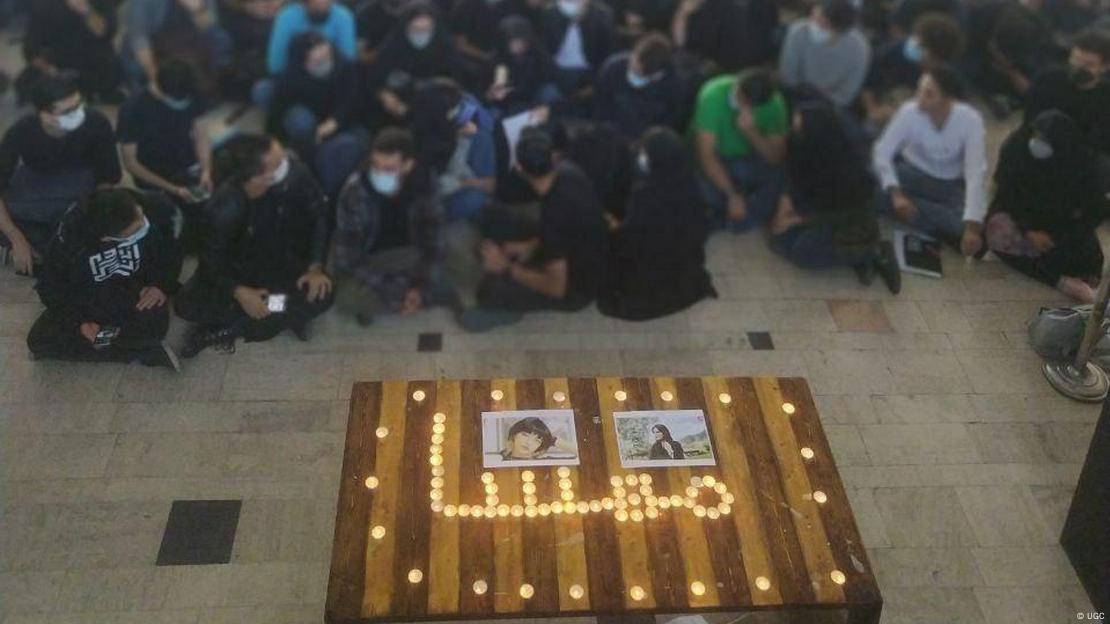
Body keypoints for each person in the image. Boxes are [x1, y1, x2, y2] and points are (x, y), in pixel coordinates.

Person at [175, 134, 334, 355]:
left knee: (320, 294)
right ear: (254, 178)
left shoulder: (297, 174)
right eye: (277, 164)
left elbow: (319, 216)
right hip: (240, 273)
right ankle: (269, 315)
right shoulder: (223, 208)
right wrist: (239, 291)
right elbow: (212, 259)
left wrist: (315, 266)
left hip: (285, 265)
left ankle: (243, 322)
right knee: (188, 305)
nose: (286, 165)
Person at [461, 128, 608, 331]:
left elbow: (557, 287)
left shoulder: (554, 216)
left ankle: (512, 304)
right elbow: (570, 229)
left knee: (489, 292)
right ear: (554, 158)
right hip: (569, 248)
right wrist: (530, 245)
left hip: (575, 289)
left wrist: (506, 267)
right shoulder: (570, 173)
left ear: (519, 168)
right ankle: (523, 264)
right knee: (492, 214)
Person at [27, 188, 181, 370]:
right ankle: (133, 350)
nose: (143, 223)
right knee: (39, 340)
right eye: (135, 229)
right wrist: (80, 322)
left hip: (134, 292)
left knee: (154, 321)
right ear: (107, 237)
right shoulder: (70, 240)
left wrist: (160, 284)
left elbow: (172, 252)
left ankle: (124, 344)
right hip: (87, 301)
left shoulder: (151, 206)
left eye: (140, 215)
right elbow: (51, 288)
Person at [770, 101, 901, 293]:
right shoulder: (802, 145)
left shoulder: (848, 170)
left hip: (844, 220)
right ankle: (857, 257)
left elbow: (839, 215)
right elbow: (792, 173)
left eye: (799, 127)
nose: (794, 130)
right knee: (779, 242)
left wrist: (795, 220)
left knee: (802, 253)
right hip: (815, 205)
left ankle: (872, 252)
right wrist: (785, 201)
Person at [332, 128, 458, 326]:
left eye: (389, 168)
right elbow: (348, 255)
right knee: (346, 299)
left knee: (452, 254)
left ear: (408, 165)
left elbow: (435, 237)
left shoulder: (425, 182)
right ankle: (413, 298)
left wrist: (418, 285)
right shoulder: (355, 191)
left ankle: (406, 298)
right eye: (375, 165)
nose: (379, 174)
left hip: (412, 252)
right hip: (373, 259)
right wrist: (392, 287)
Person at [0, 75, 121, 276]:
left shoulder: (95, 123)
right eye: (67, 111)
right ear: (44, 114)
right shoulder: (21, 132)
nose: (77, 114)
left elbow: (108, 178)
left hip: (80, 190)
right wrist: (16, 238)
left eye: (78, 105)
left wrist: (94, 214)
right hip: (35, 190)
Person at [985, 110, 1107, 303]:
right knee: (998, 232)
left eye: (1045, 140)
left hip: (1062, 225)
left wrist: (1055, 236)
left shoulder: (1082, 165)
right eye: (1036, 135)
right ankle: (1060, 281)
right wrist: (1028, 230)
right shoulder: (1018, 148)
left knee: (1084, 262)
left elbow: (1092, 213)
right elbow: (1006, 193)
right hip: (1022, 217)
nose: (1036, 143)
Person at [598, 127, 715, 321]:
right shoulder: (691, 187)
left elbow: (630, 241)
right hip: (681, 269)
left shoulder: (646, 197)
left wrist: (612, 225)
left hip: (648, 276)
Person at [873, 65, 988, 256]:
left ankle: (909, 211)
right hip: (908, 173)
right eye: (919, 90)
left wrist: (972, 228)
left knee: (968, 224)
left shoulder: (970, 121)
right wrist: (896, 195)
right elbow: (882, 152)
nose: (919, 98)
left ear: (948, 99)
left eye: (929, 94)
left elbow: (976, 173)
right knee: (869, 182)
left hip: (947, 185)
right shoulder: (909, 112)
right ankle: (919, 216)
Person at [691, 68, 788, 232]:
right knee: (700, 185)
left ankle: (729, 217)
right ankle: (740, 212)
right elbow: (706, 155)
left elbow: (775, 158)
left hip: (750, 161)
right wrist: (732, 195)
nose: (739, 103)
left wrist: (751, 132)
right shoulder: (714, 94)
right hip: (719, 160)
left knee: (779, 175)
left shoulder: (774, 104)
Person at [118, 60, 212, 207]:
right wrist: (173, 189)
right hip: (152, 172)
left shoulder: (193, 93)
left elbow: (202, 137)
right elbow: (131, 163)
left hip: (185, 160)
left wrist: (206, 170)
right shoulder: (133, 109)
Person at [411, 78, 497, 221]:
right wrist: (477, 183)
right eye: (454, 109)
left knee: (483, 134)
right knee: (477, 199)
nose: (459, 110)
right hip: (443, 193)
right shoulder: (425, 145)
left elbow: (484, 121)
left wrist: (458, 132)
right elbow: (436, 185)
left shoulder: (453, 117)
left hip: (462, 166)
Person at [861, 12, 965, 126]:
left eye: (921, 46)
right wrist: (873, 110)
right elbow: (869, 82)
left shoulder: (948, 81)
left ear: (936, 57)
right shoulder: (897, 50)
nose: (913, 45)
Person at [265, 33, 356, 158]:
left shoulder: (346, 67)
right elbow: (278, 107)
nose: (322, 51)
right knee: (298, 119)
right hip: (307, 115)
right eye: (314, 49)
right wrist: (271, 141)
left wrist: (332, 124)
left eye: (323, 44)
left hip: (337, 119)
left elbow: (350, 102)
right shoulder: (292, 75)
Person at [1024, 28, 1110, 155]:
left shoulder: (1105, 96)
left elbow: (1101, 142)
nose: (1078, 67)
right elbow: (1030, 118)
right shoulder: (1048, 79)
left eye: (1088, 64)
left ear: (1105, 67)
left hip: (1082, 154)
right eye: (1075, 59)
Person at [20, 0, 123, 103]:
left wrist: (86, 11)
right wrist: (48, 69)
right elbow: (31, 47)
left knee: (112, 71)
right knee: (32, 84)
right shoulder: (45, 4)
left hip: (94, 59)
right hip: (57, 62)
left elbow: (105, 32)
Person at [592, 33, 690, 139]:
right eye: (633, 66)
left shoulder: (675, 86)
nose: (634, 73)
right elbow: (600, 107)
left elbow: (671, 124)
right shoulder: (613, 69)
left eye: (639, 73)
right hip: (612, 138)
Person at [778, 0, 871, 109]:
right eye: (813, 17)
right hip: (796, 95)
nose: (813, 25)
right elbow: (788, 77)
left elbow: (846, 94)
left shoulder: (859, 50)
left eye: (822, 24)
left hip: (829, 106)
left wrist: (820, 105)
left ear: (840, 31)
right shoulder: (798, 32)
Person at [123, 0, 232, 89]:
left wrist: (198, 9)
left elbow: (210, 25)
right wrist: (155, 76)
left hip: (186, 39)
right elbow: (139, 38)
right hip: (152, 43)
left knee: (220, 38)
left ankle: (214, 84)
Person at [540, 0, 615, 111]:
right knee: (547, 96)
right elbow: (543, 49)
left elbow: (606, 51)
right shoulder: (550, 12)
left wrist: (585, 18)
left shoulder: (601, 14)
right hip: (558, 70)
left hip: (587, 71)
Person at [672, 0, 778, 73]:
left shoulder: (766, 7)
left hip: (751, 71)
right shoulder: (710, 6)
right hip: (715, 69)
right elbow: (686, 45)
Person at [485, 16, 560, 116]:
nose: (519, 45)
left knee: (550, 92)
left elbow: (550, 74)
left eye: (521, 41)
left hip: (531, 95)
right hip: (506, 103)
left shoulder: (537, 53)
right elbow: (489, 90)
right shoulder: (496, 59)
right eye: (514, 41)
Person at [264, 0, 357, 75]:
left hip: (332, 81)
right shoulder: (286, 17)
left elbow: (349, 61)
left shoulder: (343, 17)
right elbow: (276, 66)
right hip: (294, 78)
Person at [499, 416, 576, 460]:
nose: (528, 442)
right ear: (514, 435)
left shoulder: (545, 462)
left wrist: (553, 440)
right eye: (525, 435)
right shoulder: (498, 458)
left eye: (537, 441)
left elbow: (579, 453)